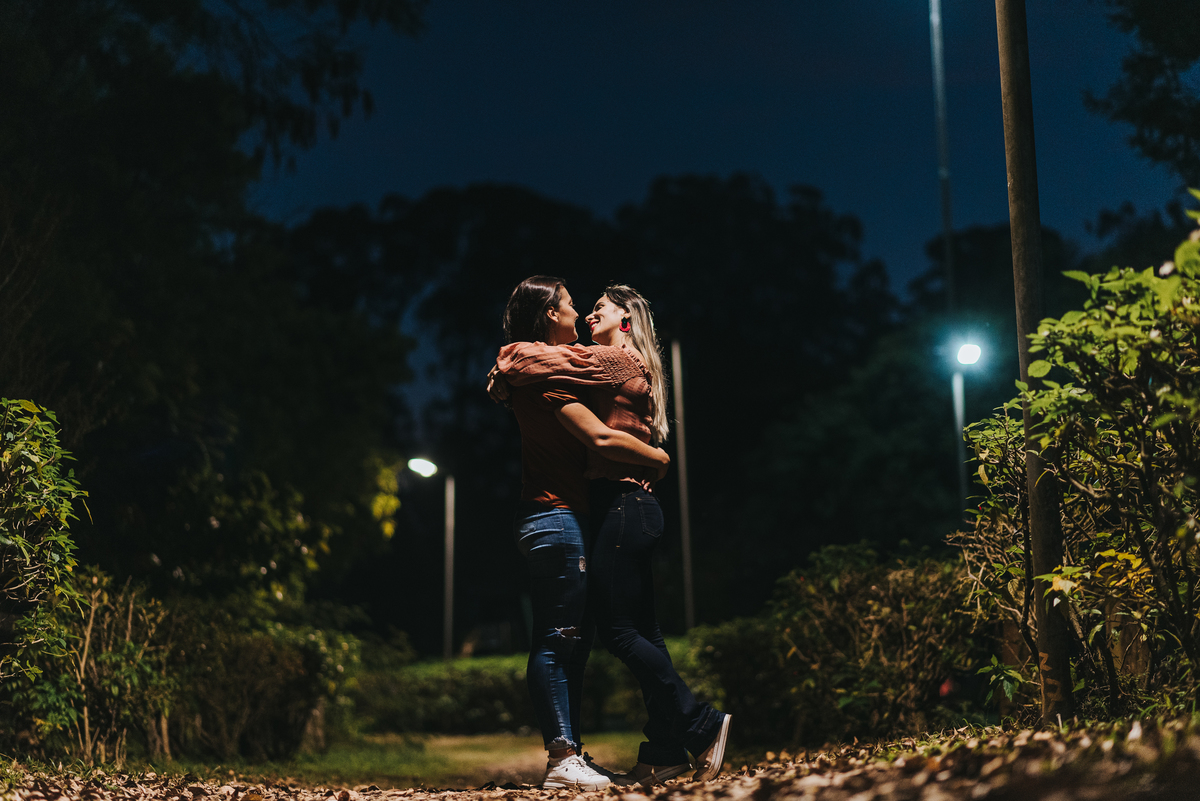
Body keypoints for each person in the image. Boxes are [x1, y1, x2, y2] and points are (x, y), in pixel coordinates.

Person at [493, 284, 732, 787]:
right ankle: (665, 749)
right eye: (580, 304)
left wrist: (507, 366)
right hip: (630, 507)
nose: (586, 312)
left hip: (622, 504)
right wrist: (509, 373)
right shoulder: (620, 365)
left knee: (619, 632)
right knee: (644, 631)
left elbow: (535, 362)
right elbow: (544, 365)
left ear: (626, 322)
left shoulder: (612, 362)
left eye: (600, 308)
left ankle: (700, 723)